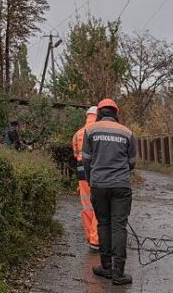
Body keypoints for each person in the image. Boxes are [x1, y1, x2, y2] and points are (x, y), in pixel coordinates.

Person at [82, 98, 137, 286]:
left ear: (99, 113)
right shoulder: (127, 132)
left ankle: (105, 267)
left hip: (99, 185)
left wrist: (93, 179)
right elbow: (132, 163)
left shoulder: (90, 131)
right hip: (121, 185)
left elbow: (86, 160)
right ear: (116, 113)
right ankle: (118, 273)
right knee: (119, 226)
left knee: (103, 224)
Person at [72, 106, 100, 251]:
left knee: (87, 206)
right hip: (97, 173)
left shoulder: (77, 134)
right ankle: (96, 240)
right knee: (99, 206)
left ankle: (90, 237)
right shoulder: (99, 132)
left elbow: (76, 154)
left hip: (82, 173)